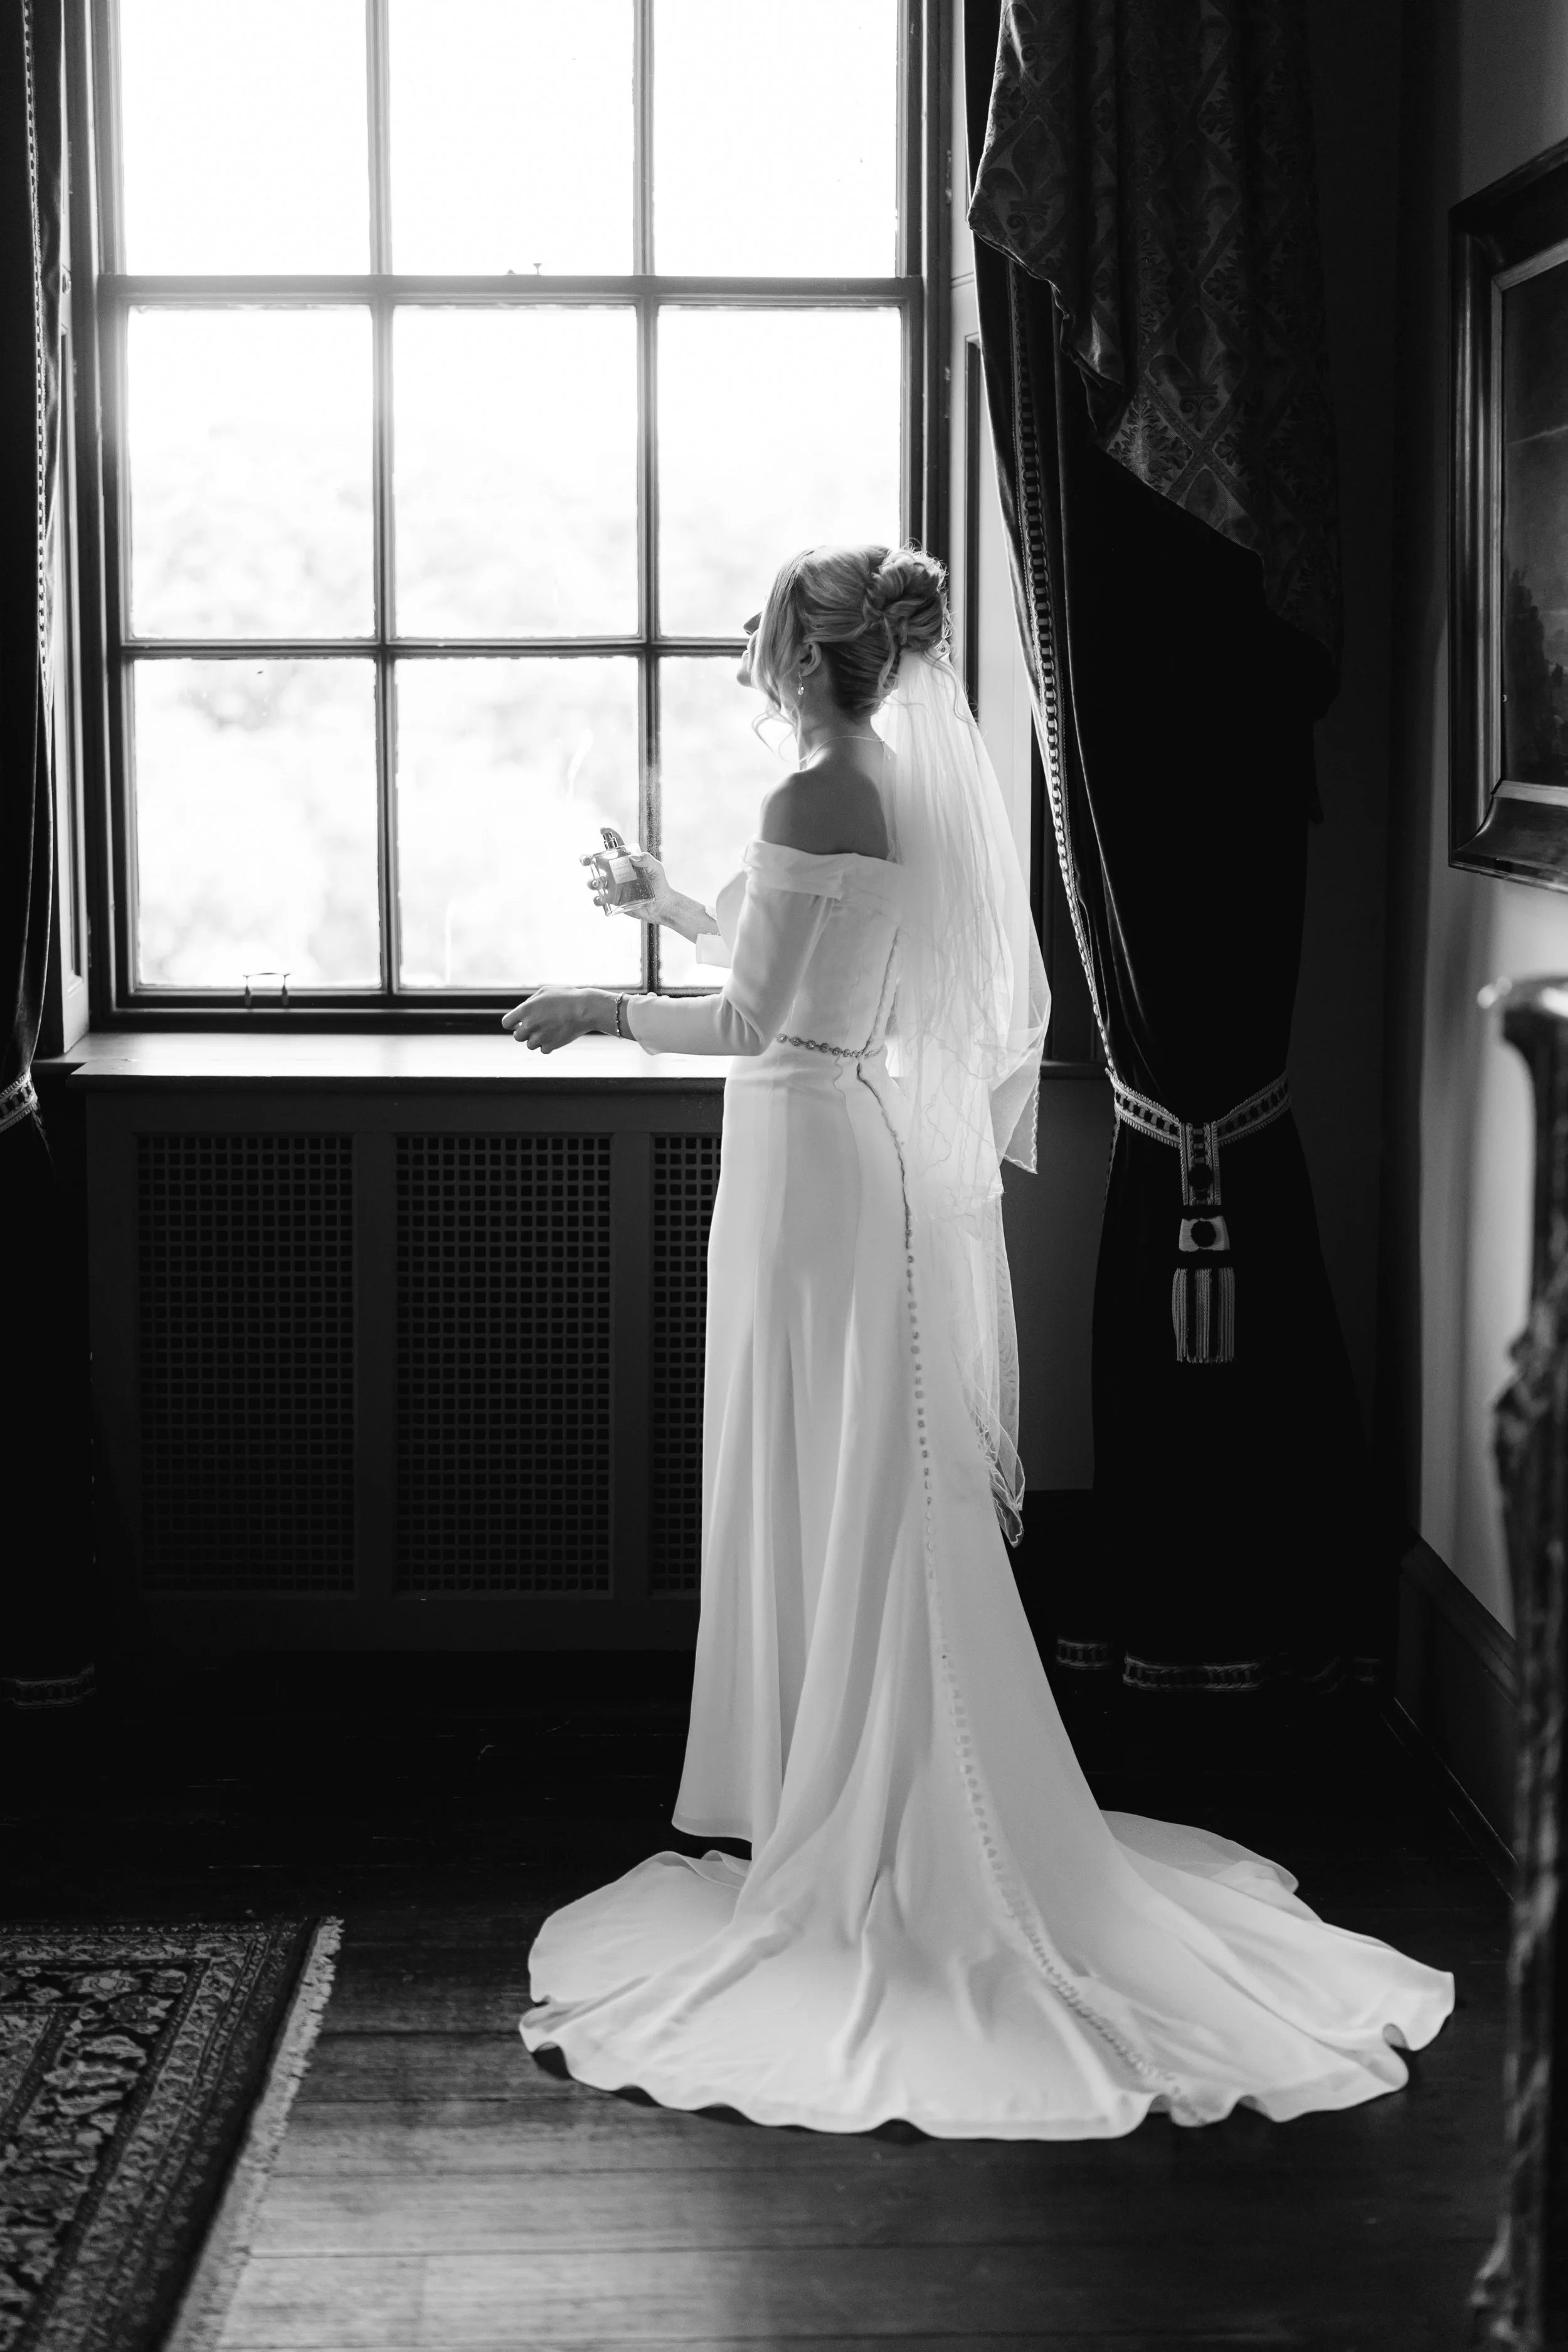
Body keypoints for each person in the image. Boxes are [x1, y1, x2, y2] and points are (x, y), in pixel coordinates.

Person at [499, 543, 1453, 2139]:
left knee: (844, 1476)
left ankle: (877, 1809)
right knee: (854, 1478)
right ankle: (859, 1774)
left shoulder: (817, 795)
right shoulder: (871, 781)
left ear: (805, 661)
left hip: (810, 1160)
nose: (745, 657)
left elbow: (756, 1024)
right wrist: (662, 899)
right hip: (827, 1150)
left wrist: (590, 1008)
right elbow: (790, 965)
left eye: (758, 637)